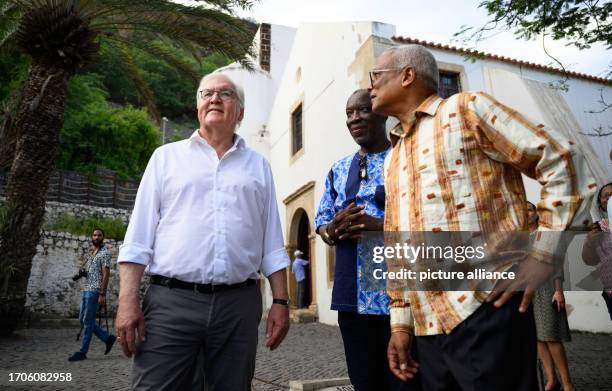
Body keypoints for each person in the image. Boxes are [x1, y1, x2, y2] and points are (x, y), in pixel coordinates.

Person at [369, 44, 596, 390]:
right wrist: (400, 324)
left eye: (376, 76)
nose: (371, 86)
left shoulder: (467, 110)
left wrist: (544, 254)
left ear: (407, 75)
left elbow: (560, 159)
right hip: (428, 327)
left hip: (488, 307)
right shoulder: (392, 157)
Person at [115, 72, 291, 390]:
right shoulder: (165, 158)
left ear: (240, 112)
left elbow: (272, 243)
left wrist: (281, 301)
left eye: (225, 94)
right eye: (206, 93)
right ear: (198, 106)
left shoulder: (259, 166)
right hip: (170, 302)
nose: (214, 98)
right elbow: (137, 238)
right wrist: (128, 301)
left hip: (238, 307)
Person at [315, 89, 420, 391]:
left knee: (407, 381)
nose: (354, 118)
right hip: (352, 298)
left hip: (399, 298)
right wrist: (331, 231)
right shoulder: (337, 170)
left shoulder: (405, 159)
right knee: (364, 382)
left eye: (362, 110)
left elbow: (427, 220)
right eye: (349, 113)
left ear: (381, 113)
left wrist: (380, 225)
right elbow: (321, 222)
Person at [528, 202, 574, 391]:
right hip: (526, 291)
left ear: (537, 213)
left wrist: (558, 290)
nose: (526, 213)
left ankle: (567, 383)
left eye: (529, 209)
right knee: (538, 338)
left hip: (546, 289)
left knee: (551, 336)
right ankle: (551, 379)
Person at [68, 228, 116, 361]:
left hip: (95, 291)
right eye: (94, 235)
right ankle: (108, 338)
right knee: (83, 319)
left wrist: (102, 293)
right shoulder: (93, 253)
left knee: (88, 322)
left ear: (103, 237)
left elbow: (105, 274)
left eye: (99, 235)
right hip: (86, 288)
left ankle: (82, 352)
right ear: (91, 237)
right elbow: (94, 273)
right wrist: (83, 274)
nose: (96, 237)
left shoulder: (104, 253)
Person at [582, 182, 612, 321]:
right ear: (601, 203)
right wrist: (589, 241)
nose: (610, 198)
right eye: (606, 196)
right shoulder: (597, 228)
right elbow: (589, 260)